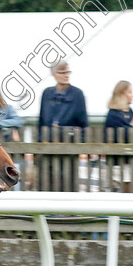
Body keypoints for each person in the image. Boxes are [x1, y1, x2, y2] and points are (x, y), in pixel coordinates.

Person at [38, 61, 88, 191]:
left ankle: (70, 210)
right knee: (47, 180)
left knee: (69, 180)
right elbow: (42, 120)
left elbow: (83, 123)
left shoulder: (77, 94)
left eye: (68, 72)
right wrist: (39, 142)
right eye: (62, 72)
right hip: (48, 145)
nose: (66, 75)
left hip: (69, 145)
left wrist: (81, 145)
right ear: (54, 74)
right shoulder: (47, 94)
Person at [103, 80, 133, 192]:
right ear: (122, 94)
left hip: (131, 160)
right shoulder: (113, 114)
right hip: (118, 163)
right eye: (130, 92)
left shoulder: (130, 112)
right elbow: (125, 135)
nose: (132, 96)